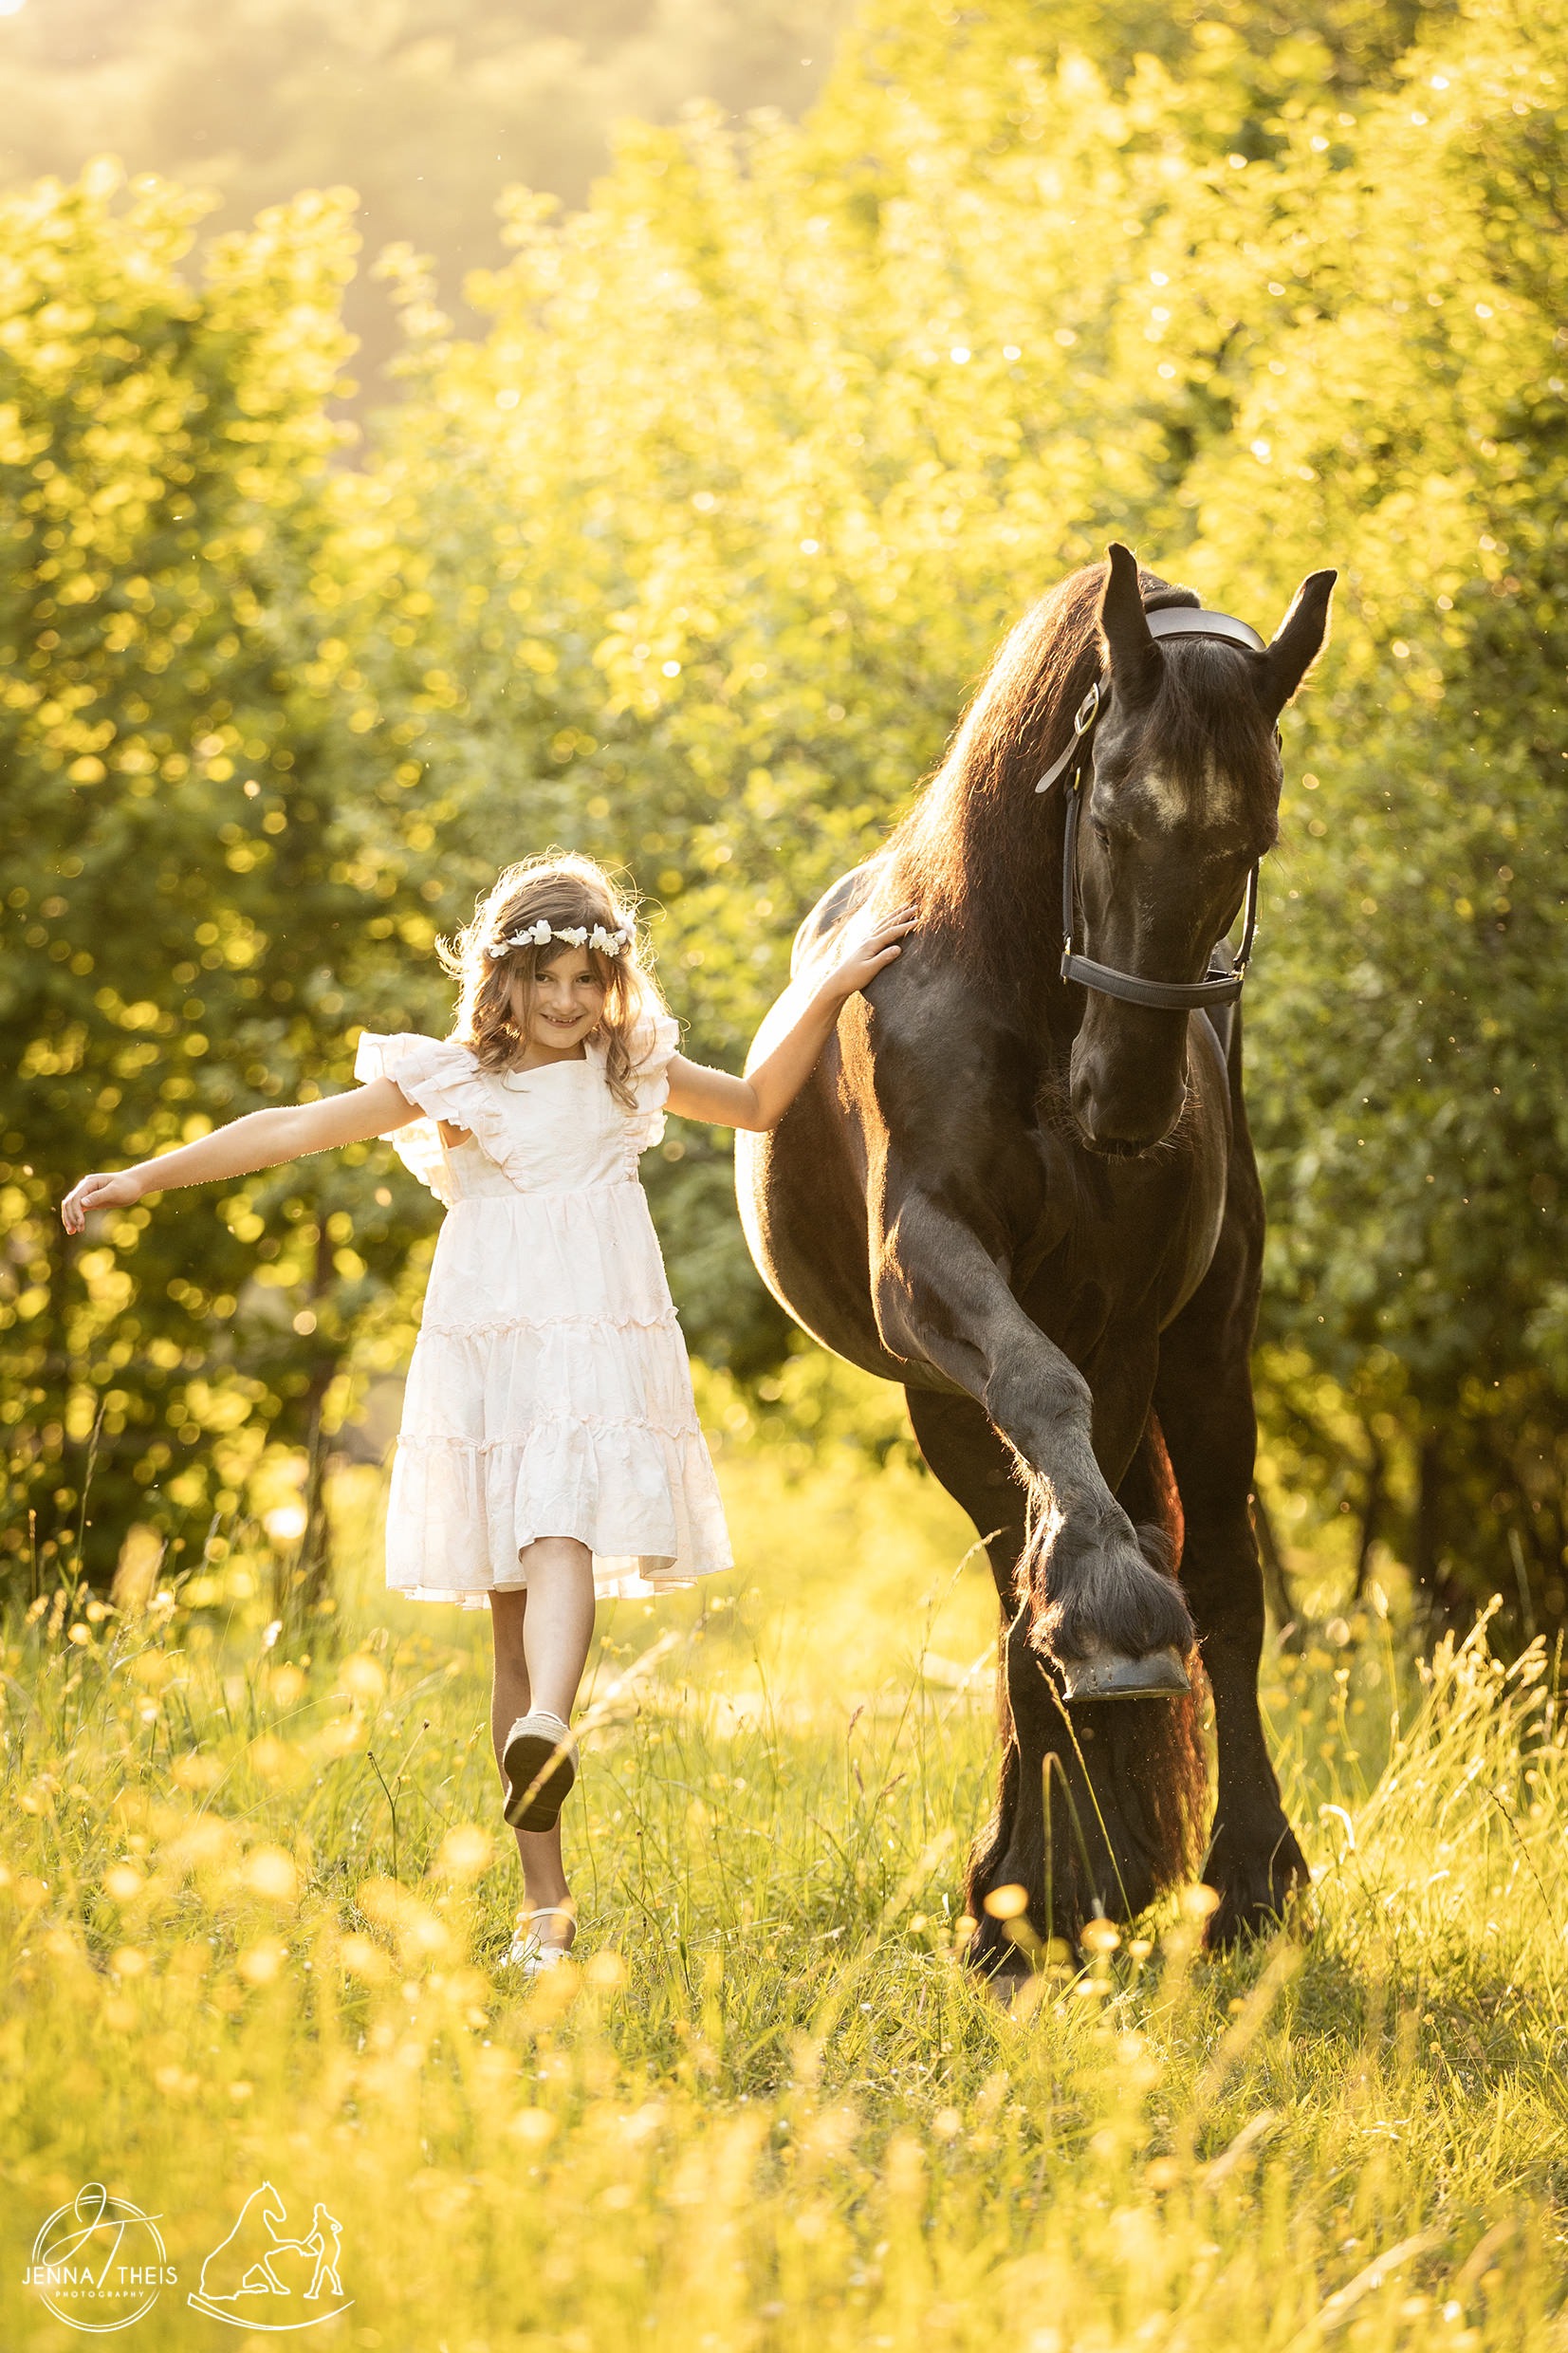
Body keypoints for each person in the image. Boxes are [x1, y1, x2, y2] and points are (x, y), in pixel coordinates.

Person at [62, 851, 913, 1974]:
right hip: (493, 1346)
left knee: (556, 1527)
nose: (565, 1002)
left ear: (614, 982)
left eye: (584, 980)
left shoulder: (629, 1069)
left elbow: (758, 1100)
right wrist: (146, 1175)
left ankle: (549, 1729)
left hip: (592, 1330)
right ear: (498, 977)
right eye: (543, 978)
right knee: (511, 1613)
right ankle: (543, 1898)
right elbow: (288, 1126)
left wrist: (829, 983)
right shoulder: (452, 1078)